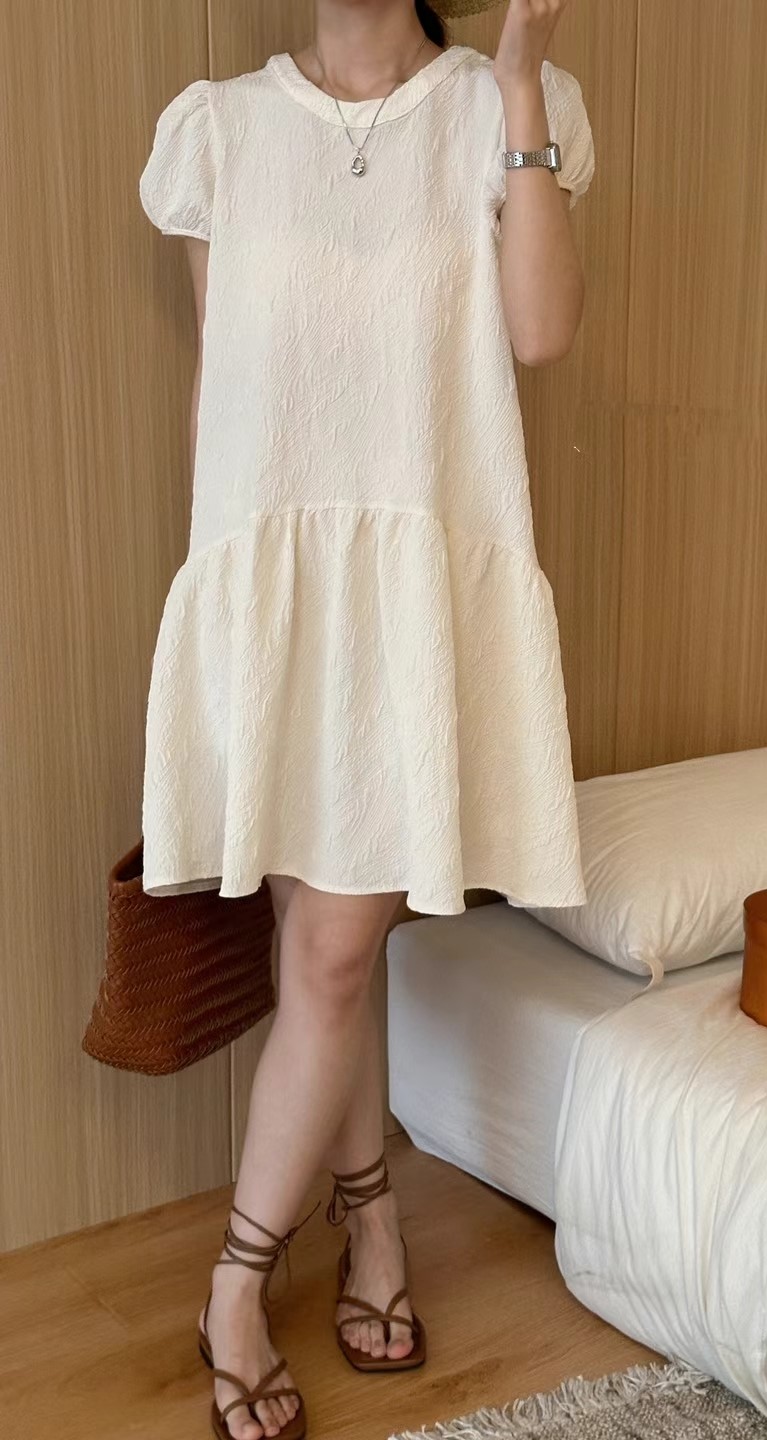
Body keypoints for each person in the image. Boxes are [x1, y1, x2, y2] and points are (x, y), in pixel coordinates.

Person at [137, 0, 595, 1435]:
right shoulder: (220, 130)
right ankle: (375, 1216)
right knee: (319, 954)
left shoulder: (496, 105)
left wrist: (518, 81)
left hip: (414, 598)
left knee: (332, 952)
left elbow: (540, 333)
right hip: (275, 596)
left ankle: (235, 1282)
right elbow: (223, 388)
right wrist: (222, 613)